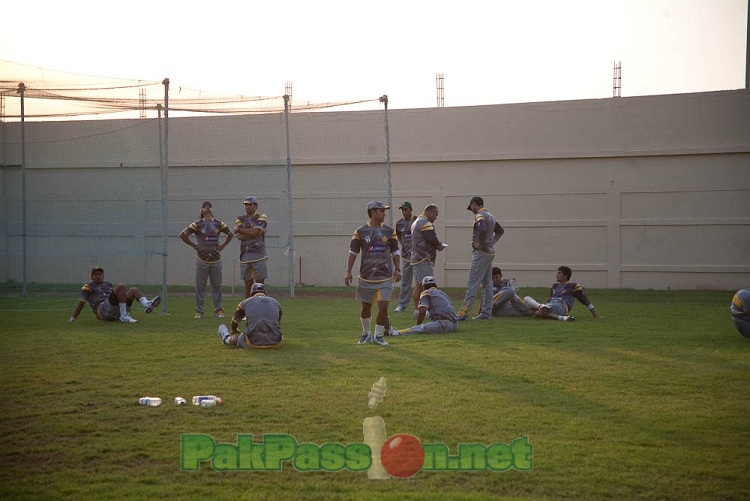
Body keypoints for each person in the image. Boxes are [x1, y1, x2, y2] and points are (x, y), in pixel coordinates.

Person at [344, 200, 401, 346]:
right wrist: (348, 272)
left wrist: (397, 269)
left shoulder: (389, 231)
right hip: (366, 277)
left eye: (384, 210)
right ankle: (366, 333)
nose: (384, 213)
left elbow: (395, 251)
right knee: (366, 307)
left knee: (383, 305)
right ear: (373, 212)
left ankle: (378, 335)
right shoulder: (360, 231)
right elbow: (353, 252)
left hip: (385, 276)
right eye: (381, 211)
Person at [179, 204, 233, 319]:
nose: (208, 208)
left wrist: (222, 246)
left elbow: (230, 234)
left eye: (209, 206)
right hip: (202, 260)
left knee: (217, 286)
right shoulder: (197, 224)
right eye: (205, 207)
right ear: (202, 211)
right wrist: (194, 245)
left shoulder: (219, 224)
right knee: (200, 286)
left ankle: (219, 310)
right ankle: (199, 311)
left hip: (216, 260)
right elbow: (183, 235)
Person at [457, 196, 505, 320]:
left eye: (471, 207)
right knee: (488, 283)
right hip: (489, 252)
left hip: (481, 253)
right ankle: (486, 312)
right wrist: (491, 242)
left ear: (474, 204)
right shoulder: (491, 216)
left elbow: (482, 228)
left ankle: (463, 313)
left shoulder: (480, 215)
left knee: (472, 283)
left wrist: (479, 244)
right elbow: (500, 231)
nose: (472, 210)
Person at [68, 267, 160, 324]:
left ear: (103, 275)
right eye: (95, 274)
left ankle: (146, 304)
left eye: (100, 274)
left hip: (113, 308)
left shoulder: (108, 284)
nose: (98, 276)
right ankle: (124, 317)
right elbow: (81, 303)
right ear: (92, 277)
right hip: (102, 310)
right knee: (121, 286)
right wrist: (73, 318)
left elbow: (115, 297)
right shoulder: (87, 286)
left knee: (133, 290)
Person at [409, 204, 447, 316]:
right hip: (423, 258)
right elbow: (431, 238)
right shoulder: (425, 222)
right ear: (429, 212)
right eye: (435, 214)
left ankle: (417, 310)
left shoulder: (416, 221)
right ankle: (428, 310)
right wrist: (439, 246)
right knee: (429, 285)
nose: (436, 217)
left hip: (416, 258)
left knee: (418, 285)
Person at [218, 283, 283, 349]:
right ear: (265, 292)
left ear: (251, 293)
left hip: (253, 342)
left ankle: (226, 337)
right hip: (276, 342)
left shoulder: (245, 303)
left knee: (239, 337)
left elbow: (234, 322)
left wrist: (234, 331)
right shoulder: (276, 303)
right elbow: (278, 323)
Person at [523, 266, 598, 321]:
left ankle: (547, 310)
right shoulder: (555, 286)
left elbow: (585, 300)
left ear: (565, 276)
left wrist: (595, 315)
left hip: (562, 304)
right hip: (551, 304)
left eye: (559, 273)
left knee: (537, 313)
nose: (556, 275)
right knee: (527, 299)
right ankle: (560, 316)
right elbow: (550, 299)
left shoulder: (573, 286)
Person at [391, 276, 459, 335]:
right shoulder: (442, 293)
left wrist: (418, 325)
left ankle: (395, 332)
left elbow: (422, 310)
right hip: (455, 325)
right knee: (424, 327)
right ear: (435, 285)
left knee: (421, 328)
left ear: (423, 286)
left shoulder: (426, 293)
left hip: (443, 324)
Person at [234, 195, 268, 298]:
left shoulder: (262, 217)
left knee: (260, 286)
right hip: (245, 256)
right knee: (248, 286)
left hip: (259, 255)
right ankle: (247, 308)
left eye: (249, 204)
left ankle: (261, 306)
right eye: (246, 205)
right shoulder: (240, 218)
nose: (247, 207)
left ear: (256, 206)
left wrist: (239, 230)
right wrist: (254, 232)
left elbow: (253, 232)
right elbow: (239, 237)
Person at [394, 201, 417, 313]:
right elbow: (399, 235)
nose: (404, 212)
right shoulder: (399, 224)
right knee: (405, 282)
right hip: (406, 256)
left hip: (418, 256)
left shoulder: (417, 221)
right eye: (402, 210)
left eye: (406, 209)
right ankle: (402, 305)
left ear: (411, 210)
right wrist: (404, 245)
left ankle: (423, 306)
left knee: (420, 282)